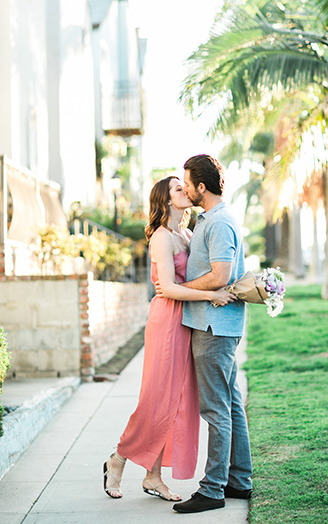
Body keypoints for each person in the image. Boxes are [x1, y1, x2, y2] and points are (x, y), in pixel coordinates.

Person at [103, 176, 235, 501]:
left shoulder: (187, 234)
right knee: (156, 399)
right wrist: (211, 296)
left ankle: (153, 477)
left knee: (176, 401)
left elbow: (193, 278)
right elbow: (168, 288)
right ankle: (117, 459)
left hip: (186, 320)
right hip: (166, 321)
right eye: (178, 188)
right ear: (165, 200)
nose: (185, 190)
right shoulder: (161, 238)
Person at [170, 154, 253, 514]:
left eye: (188, 183)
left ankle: (213, 489)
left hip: (212, 326)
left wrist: (186, 286)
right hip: (217, 324)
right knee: (231, 404)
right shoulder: (211, 220)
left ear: (202, 186)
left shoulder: (219, 223)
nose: (185, 189)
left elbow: (220, 276)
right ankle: (239, 481)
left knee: (215, 409)